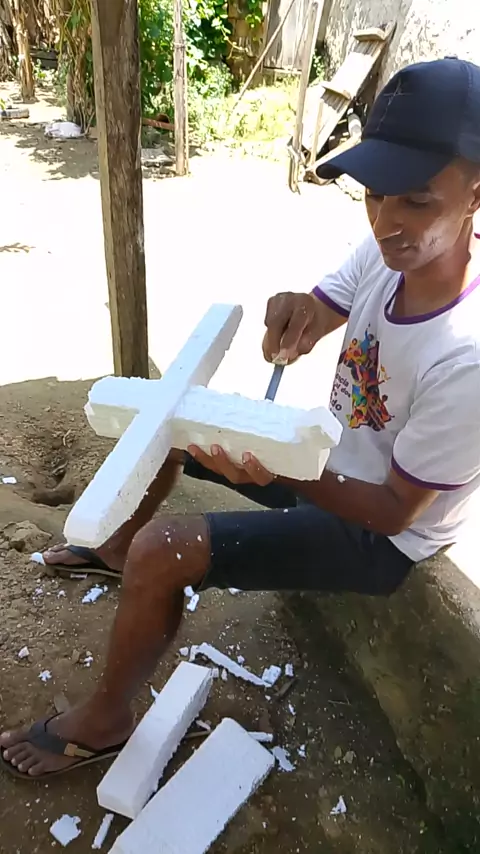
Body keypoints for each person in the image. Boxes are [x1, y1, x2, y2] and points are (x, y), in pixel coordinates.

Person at [2, 56, 480, 779]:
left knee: (166, 548)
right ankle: (114, 549)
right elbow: (323, 306)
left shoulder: (466, 356)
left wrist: (275, 468)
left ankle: (105, 720)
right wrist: (299, 313)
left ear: (475, 193)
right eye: (374, 195)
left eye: (415, 200)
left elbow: (391, 512)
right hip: (330, 462)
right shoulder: (390, 251)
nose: (386, 222)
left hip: (380, 535)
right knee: (172, 423)